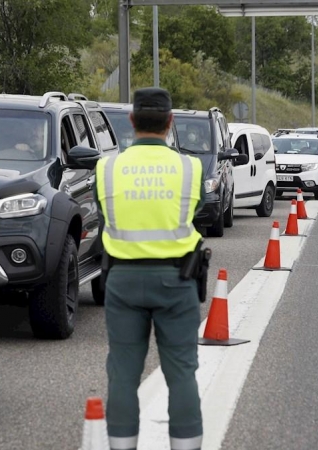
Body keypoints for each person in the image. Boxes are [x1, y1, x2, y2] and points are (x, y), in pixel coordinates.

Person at [96, 87, 206, 450]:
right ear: (171, 122)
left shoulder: (107, 167)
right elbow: (197, 210)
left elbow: (103, 214)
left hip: (123, 281)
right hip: (177, 280)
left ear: (131, 121)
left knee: (124, 375)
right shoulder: (190, 167)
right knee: (181, 374)